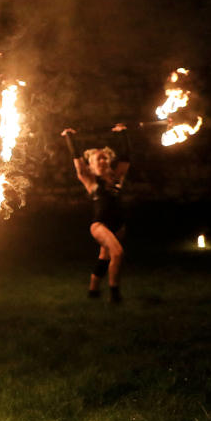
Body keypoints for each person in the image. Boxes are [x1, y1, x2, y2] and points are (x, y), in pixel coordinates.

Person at [61, 124, 130, 302]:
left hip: (119, 225)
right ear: (91, 165)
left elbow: (126, 157)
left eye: (105, 158)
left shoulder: (117, 177)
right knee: (117, 253)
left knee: (104, 257)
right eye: (98, 159)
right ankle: (115, 295)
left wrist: (122, 133)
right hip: (100, 225)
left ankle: (93, 291)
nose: (102, 161)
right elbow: (77, 160)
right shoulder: (90, 180)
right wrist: (70, 138)